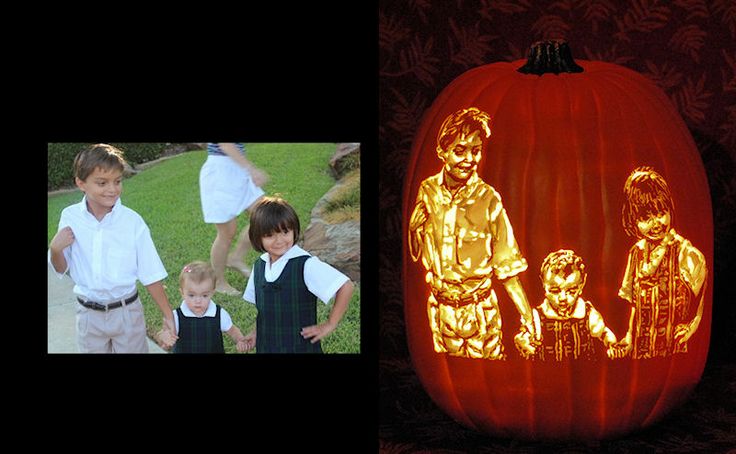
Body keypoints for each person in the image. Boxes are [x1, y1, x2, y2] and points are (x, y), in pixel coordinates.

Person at [408, 107, 535, 360]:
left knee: (487, 376)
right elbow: (417, 253)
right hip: (440, 309)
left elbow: (507, 266)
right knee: (443, 370)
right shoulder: (427, 190)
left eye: (475, 151)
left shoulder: (488, 199)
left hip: (479, 310)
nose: (469, 158)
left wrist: (527, 315)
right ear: (442, 152)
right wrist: (413, 229)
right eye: (459, 150)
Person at [48, 143, 177, 353]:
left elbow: (150, 272)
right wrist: (55, 250)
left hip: (127, 313)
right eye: (102, 183)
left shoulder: (132, 222)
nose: (112, 189)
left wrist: (167, 314)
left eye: (117, 181)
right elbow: (61, 268)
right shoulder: (70, 217)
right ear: (81, 183)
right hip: (88, 315)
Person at [611, 166, 707, 359]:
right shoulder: (636, 253)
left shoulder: (686, 253)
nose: (656, 223)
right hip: (642, 346)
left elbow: (704, 297)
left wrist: (693, 326)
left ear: (669, 209)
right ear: (633, 220)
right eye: (646, 217)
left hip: (673, 349)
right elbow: (634, 305)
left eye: (661, 213)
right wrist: (630, 337)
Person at [242, 196, 354, 353]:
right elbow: (265, 311)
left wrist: (330, 324)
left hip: (300, 347)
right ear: (257, 237)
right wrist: (255, 333)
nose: (279, 240)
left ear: (294, 230)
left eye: (285, 232)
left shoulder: (305, 264)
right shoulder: (259, 266)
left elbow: (346, 286)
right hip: (266, 347)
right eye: (269, 235)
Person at [515, 250, 618, 361]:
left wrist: (612, 344)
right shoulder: (537, 317)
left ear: (582, 285)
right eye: (554, 291)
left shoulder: (587, 313)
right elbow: (524, 335)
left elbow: (604, 332)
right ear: (543, 284)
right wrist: (523, 340)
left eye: (571, 291)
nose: (562, 298)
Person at [200, 143, 268, 296]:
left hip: (237, 168)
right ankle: (219, 282)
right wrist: (251, 169)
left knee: (264, 216)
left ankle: (236, 257)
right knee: (226, 233)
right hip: (220, 171)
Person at [163, 261, 250, 353]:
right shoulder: (176, 316)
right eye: (191, 295)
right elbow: (166, 334)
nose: (198, 301)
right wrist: (165, 337)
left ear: (212, 293)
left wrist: (240, 340)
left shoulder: (219, 314)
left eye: (204, 296)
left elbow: (232, 330)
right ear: (182, 293)